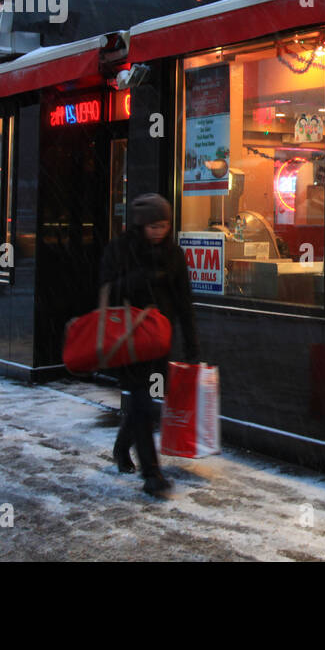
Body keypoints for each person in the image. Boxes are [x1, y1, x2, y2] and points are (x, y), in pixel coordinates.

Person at [98, 193, 200, 498]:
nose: (158, 231)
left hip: (160, 340)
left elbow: (184, 302)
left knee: (150, 403)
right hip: (129, 340)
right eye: (153, 225)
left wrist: (193, 347)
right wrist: (138, 279)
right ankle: (151, 473)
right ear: (140, 225)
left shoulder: (174, 254)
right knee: (141, 401)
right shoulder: (120, 250)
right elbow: (107, 289)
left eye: (164, 225)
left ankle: (121, 446)